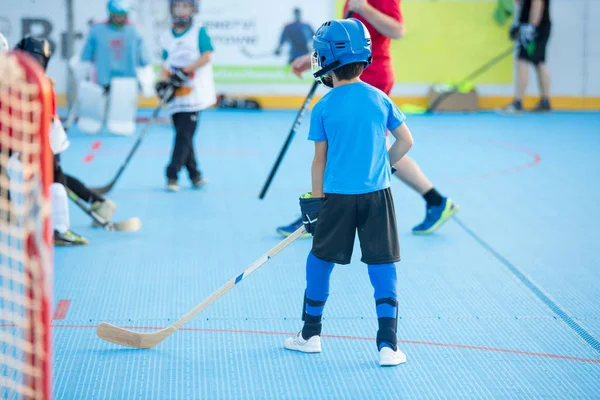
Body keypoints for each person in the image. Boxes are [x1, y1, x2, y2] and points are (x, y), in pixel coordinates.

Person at [284, 18, 413, 366]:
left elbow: (318, 162)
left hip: (336, 198)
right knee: (382, 264)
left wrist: (315, 203)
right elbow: (406, 141)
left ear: (327, 60)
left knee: (320, 261)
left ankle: (310, 334)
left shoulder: (322, 107)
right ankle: (388, 344)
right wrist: (384, 165)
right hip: (378, 196)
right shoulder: (379, 98)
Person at [277, 0, 458, 238]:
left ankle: (321, 212)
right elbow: (348, 40)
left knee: (340, 142)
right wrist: (318, 56)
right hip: (349, 74)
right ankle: (436, 200)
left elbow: (397, 29)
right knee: (375, 145)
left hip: (368, 76)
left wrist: (364, 8)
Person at [16, 36, 117, 245]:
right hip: (29, 137)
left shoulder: (38, 86)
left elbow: (41, 125)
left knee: (54, 178)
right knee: (50, 177)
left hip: (43, 137)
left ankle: (62, 227)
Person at [156, 0, 216, 192]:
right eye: (177, 6)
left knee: (184, 134)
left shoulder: (198, 31)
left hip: (194, 94)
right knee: (185, 136)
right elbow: (165, 64)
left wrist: (184, 72)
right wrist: (163, 82)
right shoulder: (167, 36)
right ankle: (195, 174)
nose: (181, 10)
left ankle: (171, 174)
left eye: (185, 6)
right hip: (176, 95)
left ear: (193, 9)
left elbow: (207, 56)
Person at [79, 0, 149, 93]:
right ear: (111, 14)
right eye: (117, 16)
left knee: (124, 106)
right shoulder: (96, 30)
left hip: (127, 81)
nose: (120, 19)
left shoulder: (134, 31)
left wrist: (146, 81)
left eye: (122, 15)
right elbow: (86, 57)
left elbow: (144, 60)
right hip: (103, 82)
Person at [503, 0, 552, 112]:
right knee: (539, 61)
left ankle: (518, 102)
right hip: (539, 26)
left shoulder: (531, 28)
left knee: (522, 60)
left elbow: (537, 2)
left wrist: (531, 26)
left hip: (534, 27)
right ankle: (545, 102)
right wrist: (519, 23)